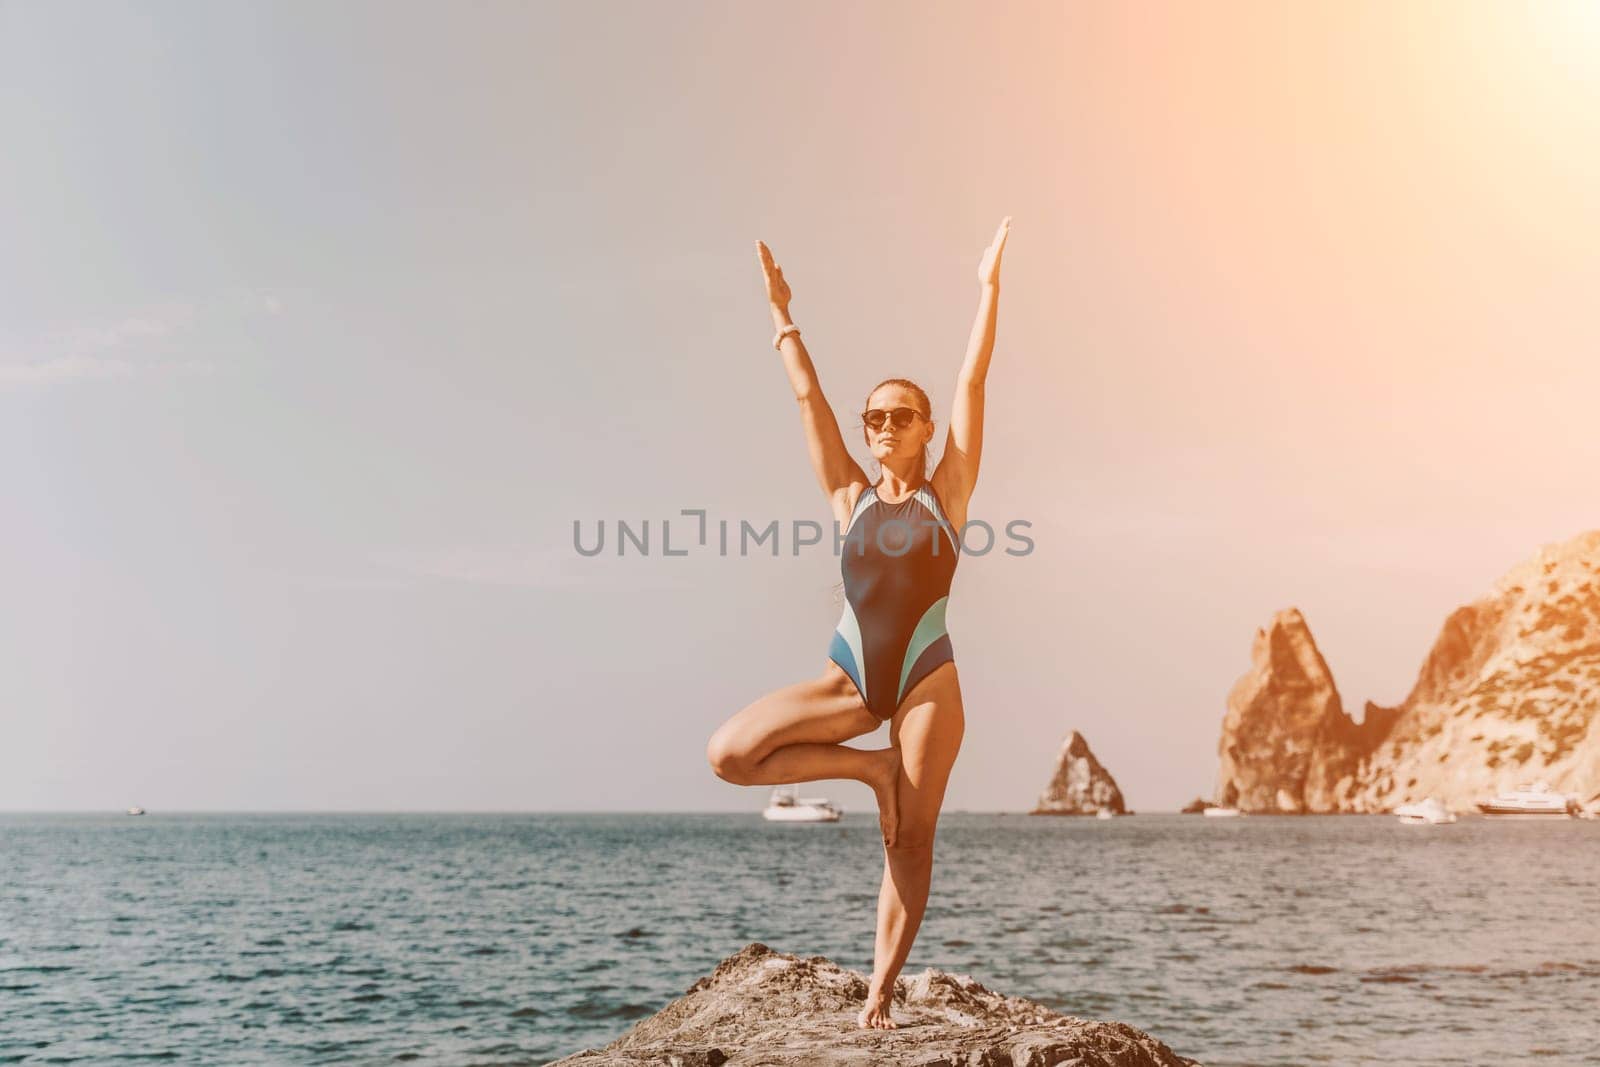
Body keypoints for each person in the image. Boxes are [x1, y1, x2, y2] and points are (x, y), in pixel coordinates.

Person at [705, 217, 1011, 1030]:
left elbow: (973, 383)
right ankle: (868, 772)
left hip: (925, 685)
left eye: (897, 416)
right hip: (848, 678)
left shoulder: (950, 493)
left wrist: (988, 289)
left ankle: (880, 986)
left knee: (910, 841)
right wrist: (781, 314)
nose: (880, 426)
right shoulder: (849, 497)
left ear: (924, 429)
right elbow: (807, 394)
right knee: (729, 754)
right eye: (872, 416)